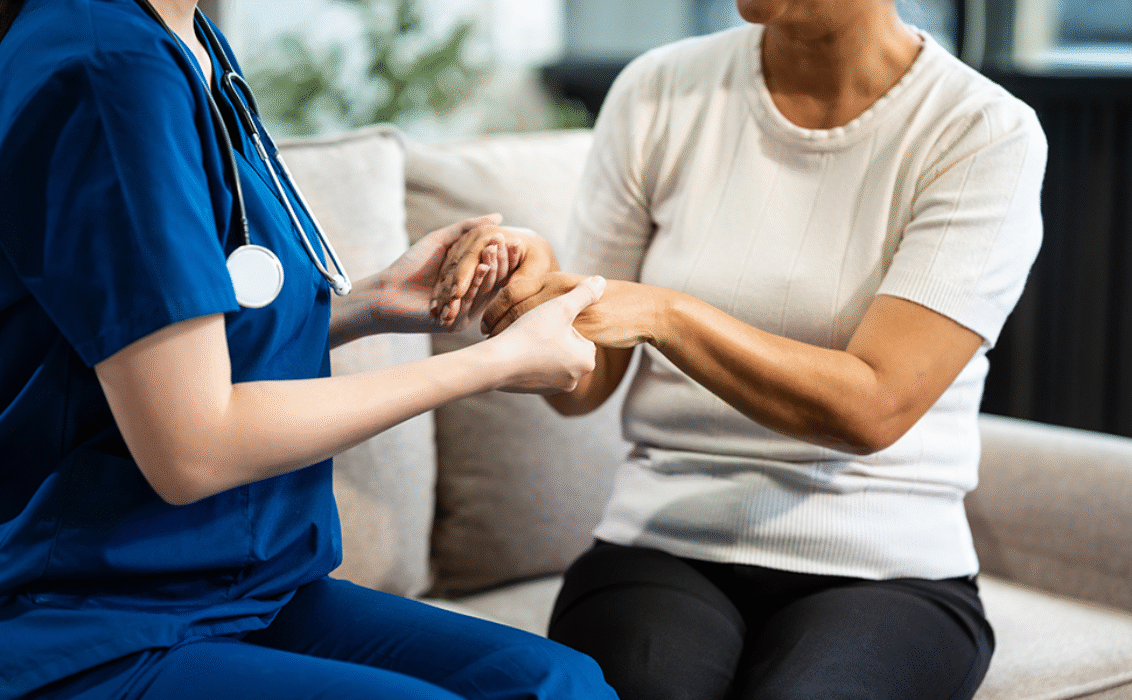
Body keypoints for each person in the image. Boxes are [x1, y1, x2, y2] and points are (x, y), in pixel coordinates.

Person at [0, 1, 617, 699]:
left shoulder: (189, 41)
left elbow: (167, 339)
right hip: (92, 616)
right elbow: (192, 445)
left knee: (558, 682)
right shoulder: (110, 71)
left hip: (243, 588)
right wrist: (492, 363)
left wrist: (375, 302)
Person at [435, 0, 1047, 698]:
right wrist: (541, 291)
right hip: (664, 546)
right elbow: (586, 387)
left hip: (890, 567)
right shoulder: (659, 89)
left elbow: (874, 408)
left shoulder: (981, 132)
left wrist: (669, 315)